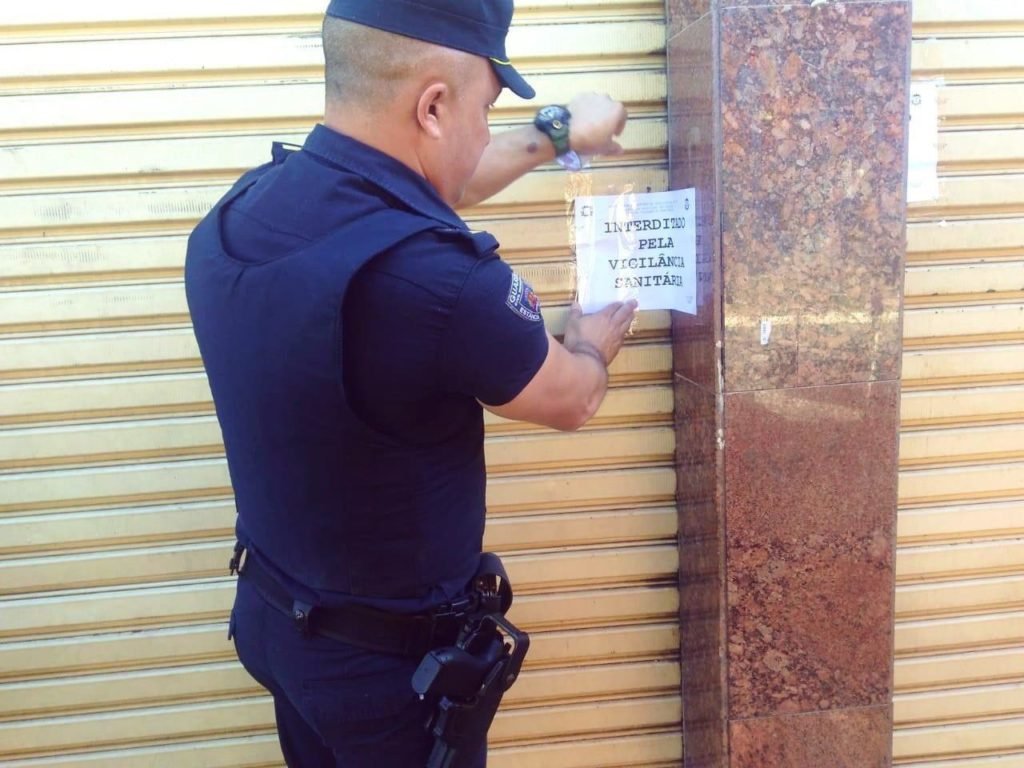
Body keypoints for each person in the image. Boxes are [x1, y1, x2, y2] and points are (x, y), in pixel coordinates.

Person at [184, 0, 638, 765]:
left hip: (277, 623)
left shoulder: (250, 205)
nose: (483, 135)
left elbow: (425, 185)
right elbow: (572, 398)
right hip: (388, 681)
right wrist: (590, 341)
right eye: (484, 112)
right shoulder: (441, 282)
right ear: (432, 107)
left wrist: (553, 134)